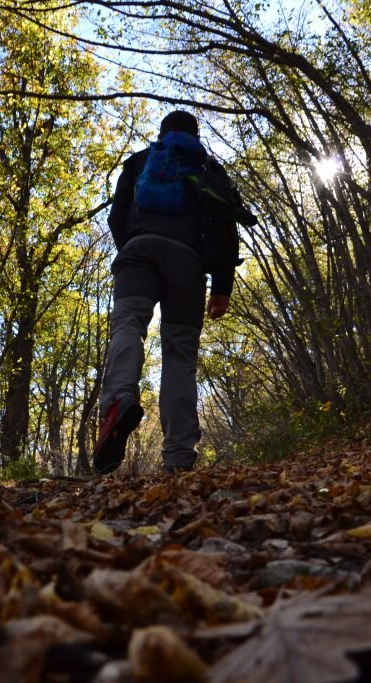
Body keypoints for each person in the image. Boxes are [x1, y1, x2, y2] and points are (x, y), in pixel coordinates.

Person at [92, 110, 243, 475]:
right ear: (196, 135)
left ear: (162, 133)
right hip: (187, 266)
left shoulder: (142, 160)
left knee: (128, 324)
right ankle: (177, 455)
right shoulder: (208, 169)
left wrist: (132, 247)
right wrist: (222, 286)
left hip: (139, 253)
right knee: (179, 355)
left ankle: (118, 401)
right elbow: (226, 228)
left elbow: (116, 216)